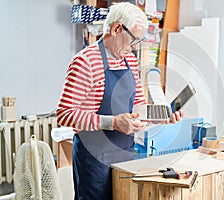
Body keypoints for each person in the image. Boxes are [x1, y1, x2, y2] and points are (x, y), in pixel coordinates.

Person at [56, 2, 182, 199]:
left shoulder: (129, 60)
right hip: (94, 157)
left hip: (124, 153)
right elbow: (64, 114)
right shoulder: (85, 61)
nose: (134, 47)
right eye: (134, 40)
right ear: (116, 29)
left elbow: (138, 106)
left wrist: (162, 116)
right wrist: (113, 122)